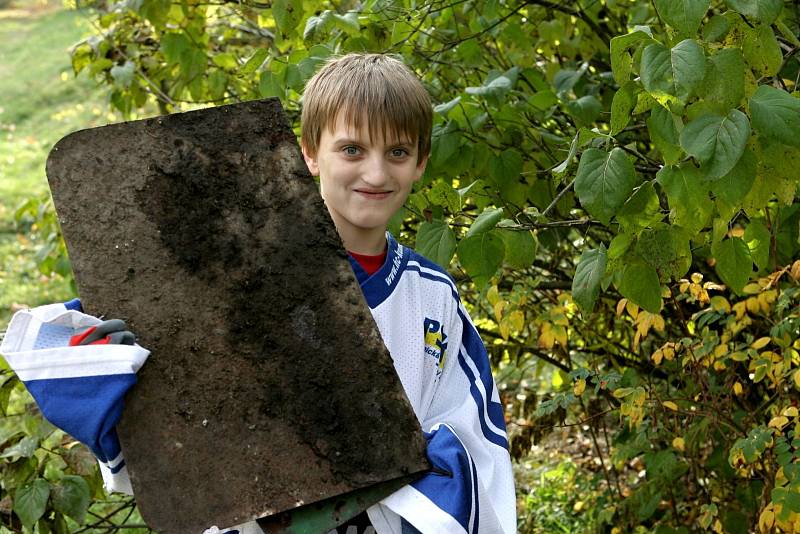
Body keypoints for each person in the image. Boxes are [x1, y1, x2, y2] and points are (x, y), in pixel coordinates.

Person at [0, 53, 515, 534]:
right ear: (309, 153)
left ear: (421, 161)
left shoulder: (433, 299)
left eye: (397, 152)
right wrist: (102, 366)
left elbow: (475, 441)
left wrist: (400, 464)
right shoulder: (230, 274)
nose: (376, 174)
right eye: (352, 149)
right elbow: (153, 426)